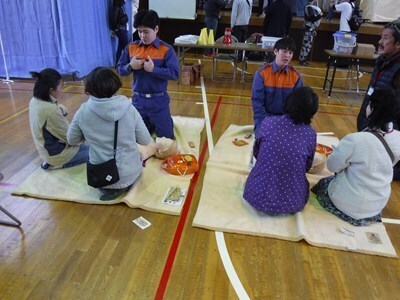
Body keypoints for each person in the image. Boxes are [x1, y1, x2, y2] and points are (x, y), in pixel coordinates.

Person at [312, 88, 400, 226]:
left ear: (371, 108)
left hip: (347, 202)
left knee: (322, 184)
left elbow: (332, 166)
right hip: (376, 205)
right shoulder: (398, 138)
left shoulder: (356, 140)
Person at [67, 67, 152, 201]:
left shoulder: (82, 112)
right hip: (130, 174)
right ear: (115, 86)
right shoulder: (129, 108)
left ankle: (110, 190)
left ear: (89, 89)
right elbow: (145, 140)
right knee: (139, 154)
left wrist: (90, 134)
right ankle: (122, 188)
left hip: (99, 176)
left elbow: (72, 140)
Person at [243, 87, 319, 215]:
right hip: (293, 201)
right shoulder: (310, 134)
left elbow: (257, 152)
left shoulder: (268, 122)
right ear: (312, 112)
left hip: (256, 194)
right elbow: (307, 166)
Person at [117, 10, 179, 139]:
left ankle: (164, 121)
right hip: (138, 101)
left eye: (146, 32)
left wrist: (154, 69)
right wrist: (130, 66)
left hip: (159, 101)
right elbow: (119, 69)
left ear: (156, 29)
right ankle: (150, 124)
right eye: (139, 31)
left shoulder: (167, 49)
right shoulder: (131, 47)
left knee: (166, 139)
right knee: (135, 139)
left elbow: (175, 74)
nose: (142, 35)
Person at [357, 18, 400, 179]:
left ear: (398, 45)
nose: (380, 41)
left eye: (386, 38)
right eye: (381, 36)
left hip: (384, 133)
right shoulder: (381, 61)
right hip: (370, 124)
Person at [29, 68, 89, 170]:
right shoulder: (51, 111)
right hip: (58, 155)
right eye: (60, 86)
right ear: (51, 90)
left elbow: (57, 108)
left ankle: (50, 161)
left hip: (46, 150)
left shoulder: (34, 100)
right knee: (100, 152)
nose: (62, 90)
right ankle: (55, 163)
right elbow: (71, 138)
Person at [251, 37, 303, 137]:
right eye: (284, 51)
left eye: (290, 53)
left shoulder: (296, 76)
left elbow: (297, 104)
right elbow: (257, 102)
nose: (287, 56)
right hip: (265, 118)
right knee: (265, 140)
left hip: (287, 119)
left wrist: (288, 122)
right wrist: (268, 123)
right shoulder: (261, 73)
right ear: (275, 51)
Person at [299, 0, 323, 66]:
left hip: (310, 29)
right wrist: (320, 15)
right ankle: (302, 59)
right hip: (308, 29)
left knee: (308, 45)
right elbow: (313, 18)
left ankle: (303, 59)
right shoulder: (309, 7)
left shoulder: (310, 7)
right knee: (306, 45)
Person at [110, 0, 129, 65]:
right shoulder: (117, 7)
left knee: (120, 47)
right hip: (120, 29)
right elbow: (114, 19)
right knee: (126, 47)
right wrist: (114, 29)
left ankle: (117, 64)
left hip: (121, 29)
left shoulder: (121, 6)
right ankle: (130, 63)